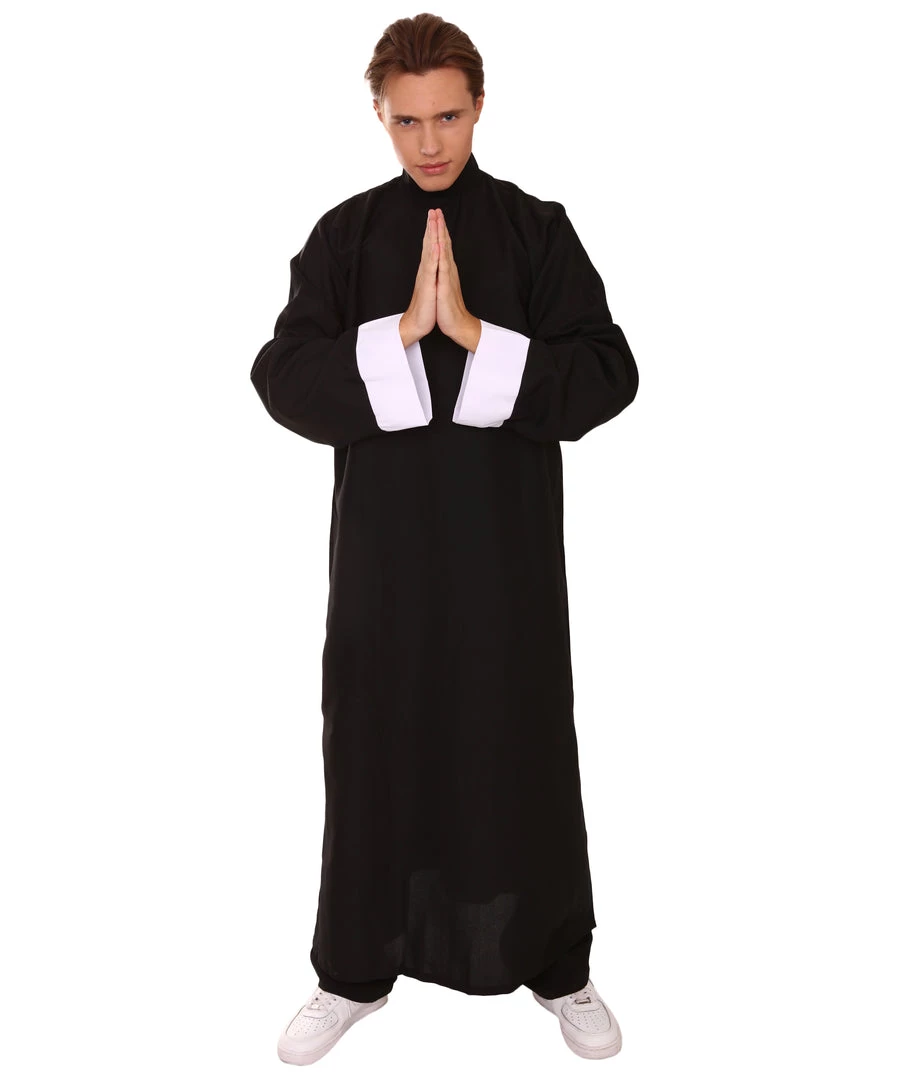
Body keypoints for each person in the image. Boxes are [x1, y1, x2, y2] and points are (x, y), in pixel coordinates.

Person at [250, 12, 639, 1066]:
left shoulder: (533, 230)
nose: (429, 143)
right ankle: (352, 972)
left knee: (517, 742)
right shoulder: (343, 236)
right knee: (374, 743)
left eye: (449, 117)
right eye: (406, 121)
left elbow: (608, 373)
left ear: (480, 107)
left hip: (506, 556)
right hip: (383, 559)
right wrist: (397, 337)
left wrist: (470, 332)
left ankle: (555, 963)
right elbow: (280, 377)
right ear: (379, 115)